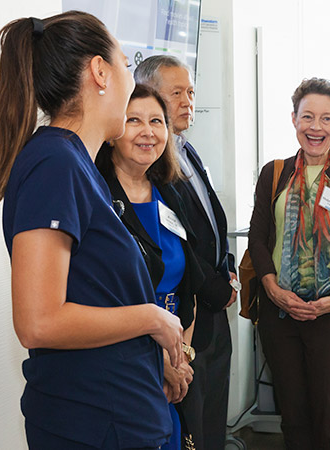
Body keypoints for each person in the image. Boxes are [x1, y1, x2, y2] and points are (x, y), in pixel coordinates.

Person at [0, 11, 183, 449]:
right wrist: (152, 318)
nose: (130, 79)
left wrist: (146, 350)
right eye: (126, 64)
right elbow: (38, 321)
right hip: (91, 423)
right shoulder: (56, 163)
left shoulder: (75, 164)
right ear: (100, 72)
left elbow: (92, 296)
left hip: (113, 413)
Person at [247, 77, 330, 450]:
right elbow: (258, 238)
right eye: (308, 117)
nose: (316, 128)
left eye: (326, 118)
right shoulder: (273, 174)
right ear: (294, 119)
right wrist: (272, 288)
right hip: (279, 315)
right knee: (294, 415)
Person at [135, 55, 238, 449]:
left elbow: (212, 223)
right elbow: (177, 241)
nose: (187, 102)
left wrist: (227, 270)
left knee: (213, 413)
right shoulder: (150, 165)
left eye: (191, 92)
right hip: (187, 312)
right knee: (190, 417)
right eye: (175, 93)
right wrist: (212, 286)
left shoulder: (187, 150)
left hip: (214, 309)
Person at [95, 84, 200, 449]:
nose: (148, 131)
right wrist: (163, 365)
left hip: (174, 360)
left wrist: (180, 358)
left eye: (156, 121)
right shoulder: (99, 202)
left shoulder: (171, 193)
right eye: (133, 120)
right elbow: (103, 299)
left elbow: (188, 286)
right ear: (112, 134)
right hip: (127, 365)